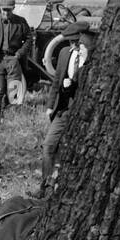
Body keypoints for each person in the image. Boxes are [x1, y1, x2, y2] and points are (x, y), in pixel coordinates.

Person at [43, 21, 96, 183]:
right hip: (63, 109)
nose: (73, 45)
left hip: (83, 111)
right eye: (71, 42)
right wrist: (50, 106)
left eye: (76, 42)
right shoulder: (65, 53)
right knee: (48, 147)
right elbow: (56, 81)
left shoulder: (94, 58)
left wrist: (85, 62)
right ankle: (46, 185)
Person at [0, 0, 33, 125]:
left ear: (13, 9)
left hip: (13, 60)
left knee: (13, 93)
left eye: (9, 10)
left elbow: (29, 39)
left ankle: (7, 116)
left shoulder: (21, 22)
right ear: (0, 9)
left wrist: (19, 54)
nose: (6, 13)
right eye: (4, 10)